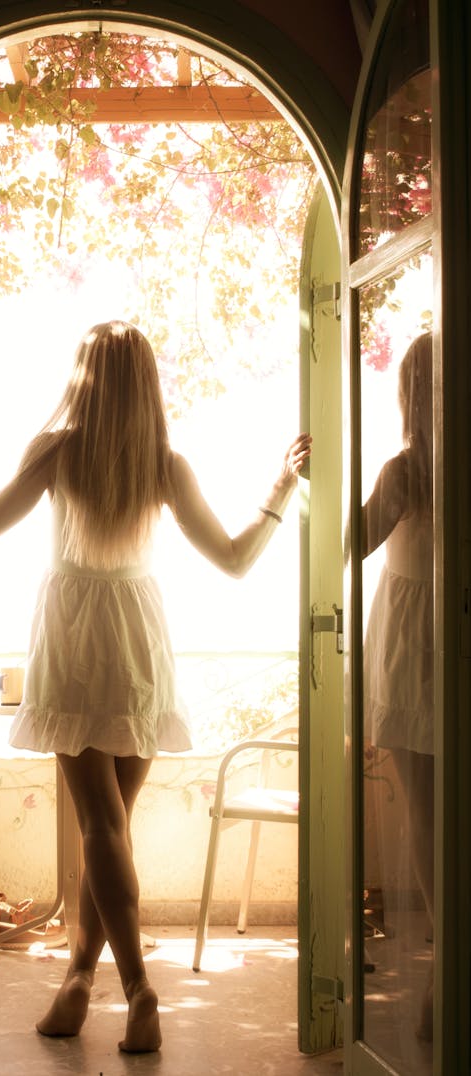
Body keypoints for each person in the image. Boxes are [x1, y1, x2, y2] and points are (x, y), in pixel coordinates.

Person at [0, 320, 310, 1052]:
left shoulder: (59, 452)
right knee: (114, 831)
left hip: (74, 638)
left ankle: (137, 990)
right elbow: (234, 559)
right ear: (146, 387)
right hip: (138, 638)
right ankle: (75, 980)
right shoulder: (164, 464)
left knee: (99, 828)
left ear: (84, 379)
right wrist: (281, 486)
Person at [361, 331, 434, 1040]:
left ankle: (447, 966)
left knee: (427, 816)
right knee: (442, 816)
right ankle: (451, 965)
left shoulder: (407, 469)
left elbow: (348, 544)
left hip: (413, 651)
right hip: (445, 640)